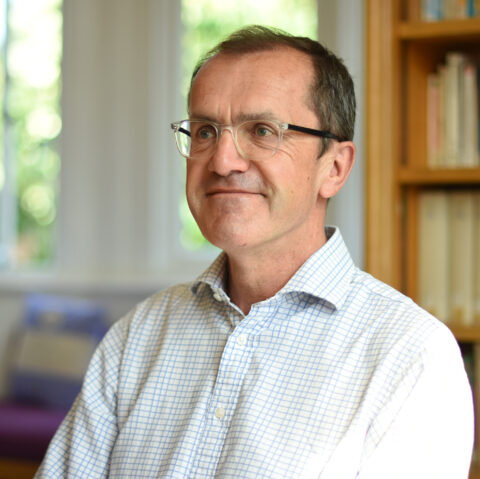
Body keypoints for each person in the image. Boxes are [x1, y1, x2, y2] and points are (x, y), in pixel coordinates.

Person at [36, 25, 473, 478]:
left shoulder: (410, 356)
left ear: (334, 168)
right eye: (205, 131)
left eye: (262, 131)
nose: (222, 160)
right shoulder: (138, 335)